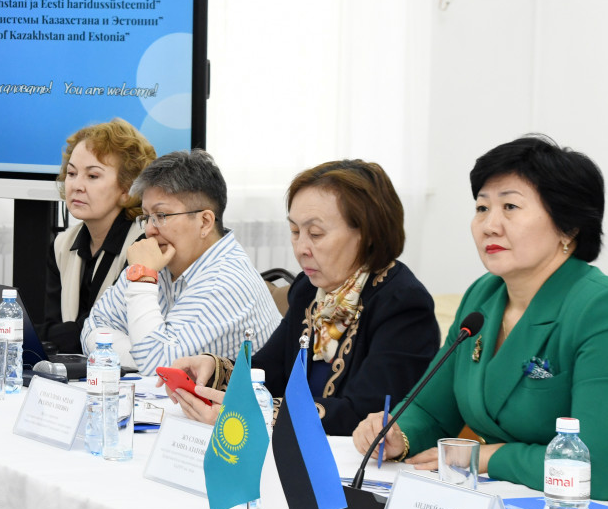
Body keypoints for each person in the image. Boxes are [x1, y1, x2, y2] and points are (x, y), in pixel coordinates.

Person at [352, 135, 608, 509]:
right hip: (508, 505)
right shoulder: (483, 297)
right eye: (482, 208)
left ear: (568, 227)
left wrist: (487, 457)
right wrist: (397, 434)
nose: (489, 225)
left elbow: (600, 468)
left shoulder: (605, 308)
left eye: (510, 206)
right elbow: (432, 410)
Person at [164, 160, 438, 435]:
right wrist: (213, 369)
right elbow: (268, 371)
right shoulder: (309, 290)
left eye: (315, 234)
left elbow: (363, 412)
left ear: (368, 235)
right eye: (295, 232)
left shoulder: (403, 304)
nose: (301, 248)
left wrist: (258, 414)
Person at [80, 149, 281, 371]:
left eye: (161, 216)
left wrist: (142, 278)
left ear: (205, 222)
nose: (149, 230)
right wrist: (140, 354)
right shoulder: (161, 259)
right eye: (146, 217)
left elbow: (155, 366)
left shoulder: (224, 280)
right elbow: (92, 328)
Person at [40, 119, 156, 355]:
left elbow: (101, 330)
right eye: (72, 173)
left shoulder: (143, 245)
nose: (76, 185)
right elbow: (55, 329)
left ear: (128, 189)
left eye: (92, 176)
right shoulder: (62, 245)